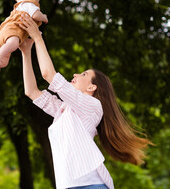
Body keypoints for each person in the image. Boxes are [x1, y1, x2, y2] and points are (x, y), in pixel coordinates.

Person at [18, 14, 152, 189]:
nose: (75, 74)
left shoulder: (93, 106)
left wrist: (37, 36)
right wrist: (26, 52)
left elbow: (48, 75)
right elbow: (31, 92)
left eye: (83, 75)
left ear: (92, 88)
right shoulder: (64, 110)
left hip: (90, 184)